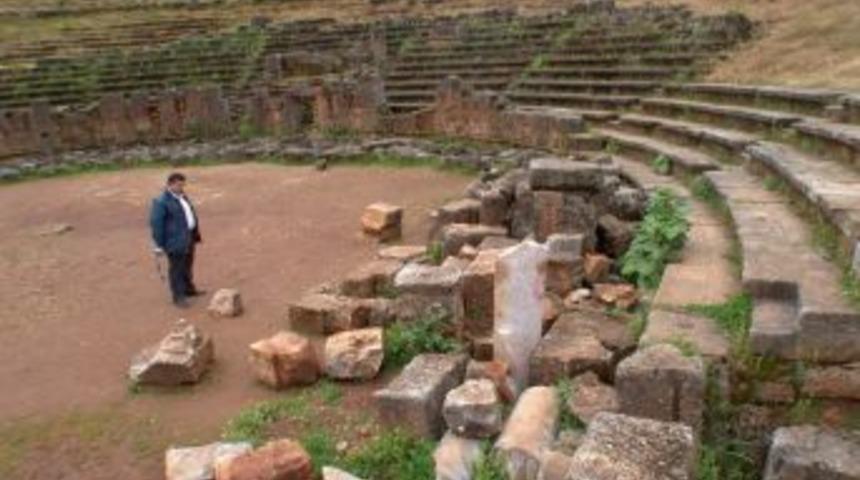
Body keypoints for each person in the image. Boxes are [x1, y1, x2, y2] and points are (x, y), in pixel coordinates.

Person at [149, 172, 204, 308]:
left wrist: (194, 234)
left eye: (183, 185)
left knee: (187, 265)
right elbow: (156, 224)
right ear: (170, 184)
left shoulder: (183, 197)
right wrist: (158, 245)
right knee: (176, 269)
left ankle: (188, 289)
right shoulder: (161, 201)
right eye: (179, 185)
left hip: (188, 237)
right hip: (174, 241)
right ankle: (178, 297)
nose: (181, 188)